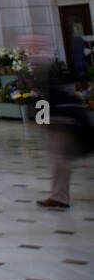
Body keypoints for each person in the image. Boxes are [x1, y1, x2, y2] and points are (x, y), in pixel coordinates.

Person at [38, 60, 93, 209]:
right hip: (66, 126)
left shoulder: (53, 86)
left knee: (60, 161)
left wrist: (45, 121)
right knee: (60, 160)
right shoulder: (57, 87)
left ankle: (59, 197)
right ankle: (59, 196)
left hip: (67, 126)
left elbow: (53, 105)